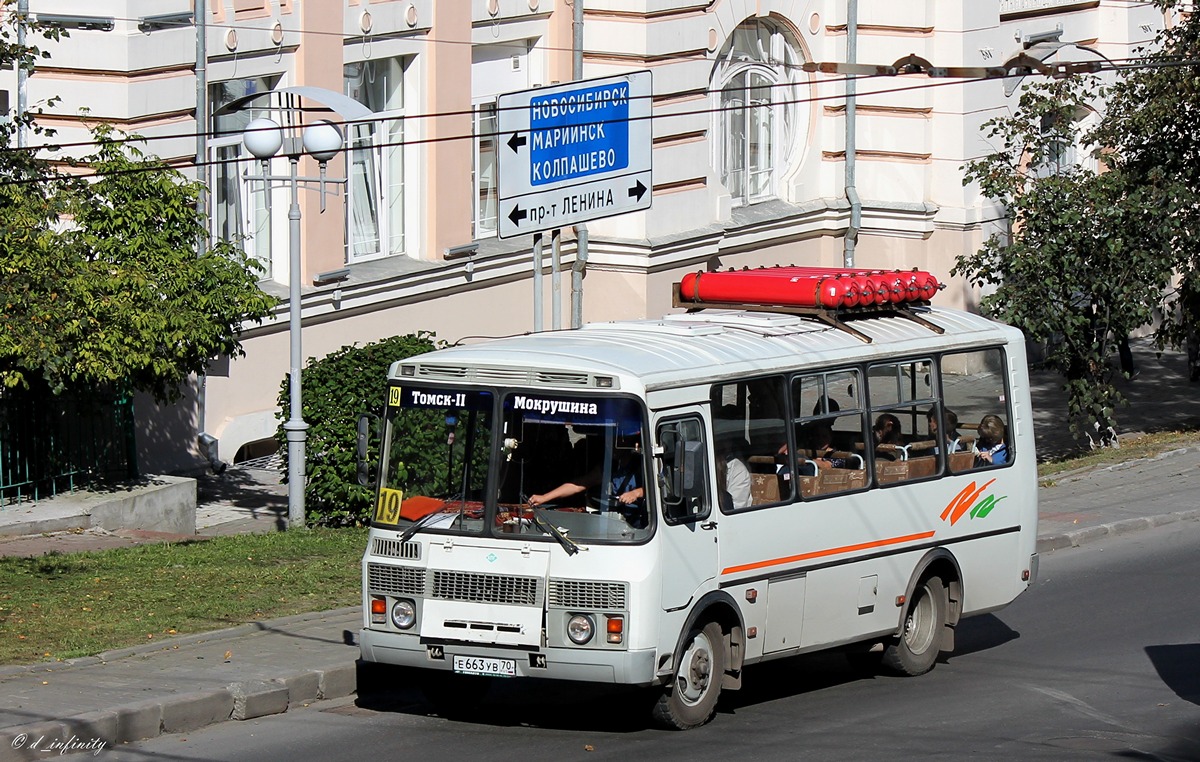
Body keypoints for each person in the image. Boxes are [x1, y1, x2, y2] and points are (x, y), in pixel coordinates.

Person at [528, 426, 645, 518]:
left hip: (639, 523)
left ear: (627, 441)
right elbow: (577, 485)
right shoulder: (610, 466)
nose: (610, 445)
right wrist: (544, 497)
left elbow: (656, 490)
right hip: (616, 520)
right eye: (609, 441)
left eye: (616, 440)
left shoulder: (642, 465)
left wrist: (637, 493)